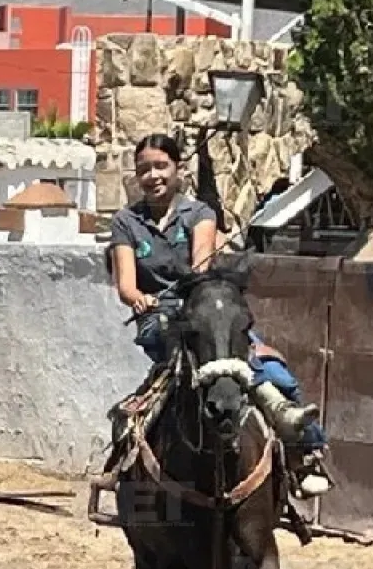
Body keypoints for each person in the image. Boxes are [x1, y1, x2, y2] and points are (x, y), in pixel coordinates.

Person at [107, 132, 331, 498]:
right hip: (159, 319)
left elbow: (201, 269)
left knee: (276, 372)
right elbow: (126, 285)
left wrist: (193, 295)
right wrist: (141, 299)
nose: (153, 176)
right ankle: (126, 464)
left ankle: (305, 454)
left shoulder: (199, 214)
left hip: (204, 312)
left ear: (178, 169)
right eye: (144, 169)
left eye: (161, 166)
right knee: (163, 387)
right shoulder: (125, 222)